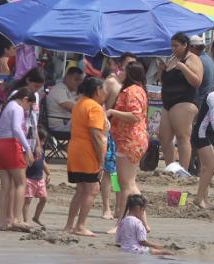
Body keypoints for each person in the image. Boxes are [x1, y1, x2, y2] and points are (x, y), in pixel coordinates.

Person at [63, 77, 107, 237]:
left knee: (81, 189)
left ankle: (69, 225)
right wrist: (101, 159)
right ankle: (80, 225)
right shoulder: (94, 107)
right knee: (92, 189)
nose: (106, 93)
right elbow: (95, 134)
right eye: (103, 89)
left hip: (76, 149)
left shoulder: (79, 104)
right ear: (97, 90)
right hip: (88, 151)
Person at [109, 62, 151, 228]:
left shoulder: (132, 91)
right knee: (129, 184)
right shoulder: (137, 90)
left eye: (123, 70)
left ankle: (120, 222)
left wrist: (112, 112)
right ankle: (144, 222)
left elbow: (135, 116)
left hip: (129, 140)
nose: (119, 73)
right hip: (131, 139)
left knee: (125, 185)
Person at [159, 33, 204, 179]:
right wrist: (162, 70)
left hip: (184, 100)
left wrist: (183, 68)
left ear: (185, 45)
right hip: (168, 100)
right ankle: (171, 167)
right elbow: (165, 81)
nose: (173, 48)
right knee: (164, 137)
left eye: (176, 45)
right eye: (172, 45)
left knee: (182, 136)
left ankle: (183, 170)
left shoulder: (193, 58)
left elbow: (197, 81)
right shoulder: (172, 58)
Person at [0, 89, 34, 231]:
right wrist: (27, 148)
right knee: (21, 183)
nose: (27, 109)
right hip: (11, 144)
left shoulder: (3, 108)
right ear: (25, 99)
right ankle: (16, 219)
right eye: (29, 105)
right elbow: (16, 128)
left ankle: (2, 222)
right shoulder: (17, 108)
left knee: (5, 186)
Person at [190, 82, 214, 212]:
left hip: (205, 134)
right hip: (201, 133)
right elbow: (213, 119)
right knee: (211, 167)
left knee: (206, 168)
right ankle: (199, 198)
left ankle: (203, 198)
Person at [47, 65, 81, 136]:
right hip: (60, 126)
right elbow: (74, 109)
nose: (79, 83)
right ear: (67, 77)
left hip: (66, 123)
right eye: (76, 79)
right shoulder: (59, 90)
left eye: (80, 80)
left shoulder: (68, 90)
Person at [24, 152, 49, 228]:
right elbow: (25, 165)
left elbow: (43, 162)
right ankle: (25, 221)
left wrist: (48, 173)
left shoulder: (41, 151)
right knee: (28, 200)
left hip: (40, 179)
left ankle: (36, 217)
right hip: (29, 179)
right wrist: (23, 177)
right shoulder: (29, 151)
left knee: (44, 199)